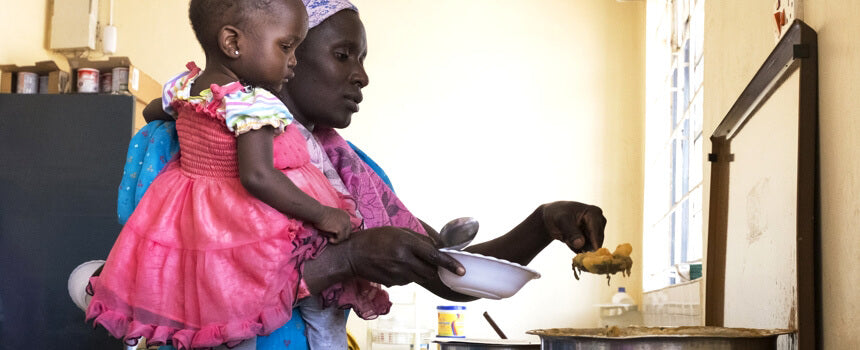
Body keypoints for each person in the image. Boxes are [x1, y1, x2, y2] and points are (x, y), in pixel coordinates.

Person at [75, 1, 607, 349]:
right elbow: (174, 294)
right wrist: (346, 258)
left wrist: (543, 224)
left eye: (362, 56)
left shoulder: (352, 171)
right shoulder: (179, 146)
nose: (362, 74)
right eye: (342, 54)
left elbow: (449, 272)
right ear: (286, 54)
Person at [85, 0, 383, 349]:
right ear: (233, 43)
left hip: (194, 213)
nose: (293, 61)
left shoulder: (184, 87)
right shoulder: (253, 103)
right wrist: (323, 214)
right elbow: (256, 176)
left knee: (220, 314)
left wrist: (195, 132)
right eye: (286, 47)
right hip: (247, 218)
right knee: (299, 303)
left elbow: (155, 111)